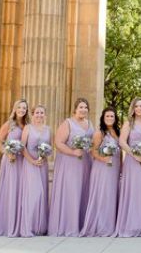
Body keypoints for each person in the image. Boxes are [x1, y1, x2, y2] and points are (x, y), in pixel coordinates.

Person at [48, 97, 93, 237]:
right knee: (71, 192)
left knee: (83, 191)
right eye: (81, 107)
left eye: (85, 107)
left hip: (85, 162)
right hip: (69, 163)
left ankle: (81, 224)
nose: (83, 110)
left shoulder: (90, 123)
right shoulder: (68, 123)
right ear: (75, 109)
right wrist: (73, 152)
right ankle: (68, 225)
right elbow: (58, 143)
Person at [0, 99, 27, 237]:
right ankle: (8, 224)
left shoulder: (27, 125)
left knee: (22, 191)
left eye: (24, 108)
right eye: (20, 107)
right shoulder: (8, 124)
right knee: (11, 189)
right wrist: (8, 153)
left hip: (23, 160)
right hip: (11, 161)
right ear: (15, 108)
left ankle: (21, 224)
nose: (22, 110)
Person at [115, 97, 141, 237]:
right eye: (136, 106)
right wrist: (134, 155)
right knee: (136, 192)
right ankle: (132, 226)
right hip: (133, 161)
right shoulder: (128, 123)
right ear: (133, 108)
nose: (139, 108)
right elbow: (122, 142)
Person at [81, 107, 121, 237]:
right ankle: (101, 226)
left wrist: (121, 167)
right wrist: (104, 159)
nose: (110, 118)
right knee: (103, 194)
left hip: (114, 168)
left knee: (112, 194)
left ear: (115, 119)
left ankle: (111, 224)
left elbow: (120, 153)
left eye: (112, 116)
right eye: (107, 116)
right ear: (103, 118)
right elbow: (93, 151)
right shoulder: (99, 133)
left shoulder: (117, 132)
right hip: (102, 168)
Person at [17, 104, 51, 237]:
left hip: (42, 164)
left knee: (42, 194)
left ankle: (40, 227)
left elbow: (50, 147)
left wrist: (44, 155)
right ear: (32, 114)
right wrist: (32, 160)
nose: (39, 115)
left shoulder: (48, 129)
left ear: (45, 115)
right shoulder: (28, 128)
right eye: (37, 113)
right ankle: (28, 226)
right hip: (30, 164)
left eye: (42, 113)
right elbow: (22, 146)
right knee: (33, 193)